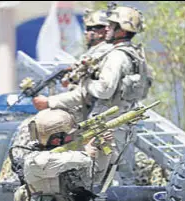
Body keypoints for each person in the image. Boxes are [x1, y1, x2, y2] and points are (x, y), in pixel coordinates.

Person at [33, 4, 152, 186]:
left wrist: (86, 82)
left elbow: (105, 89)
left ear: (121, 30)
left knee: (100, 176)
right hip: (123, 121)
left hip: (107, 123)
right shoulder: (134, 54)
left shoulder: (116, 56)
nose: (107, 30)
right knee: (118, 172)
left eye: (112, 26)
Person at [12, 108, 114, 201]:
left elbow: (95, 177)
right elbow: (51, 162)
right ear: (56, 139)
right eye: (69, 135)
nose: (73, 138)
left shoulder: (73, 157)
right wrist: (86, 154)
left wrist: (101, 150)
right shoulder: (34, 159)